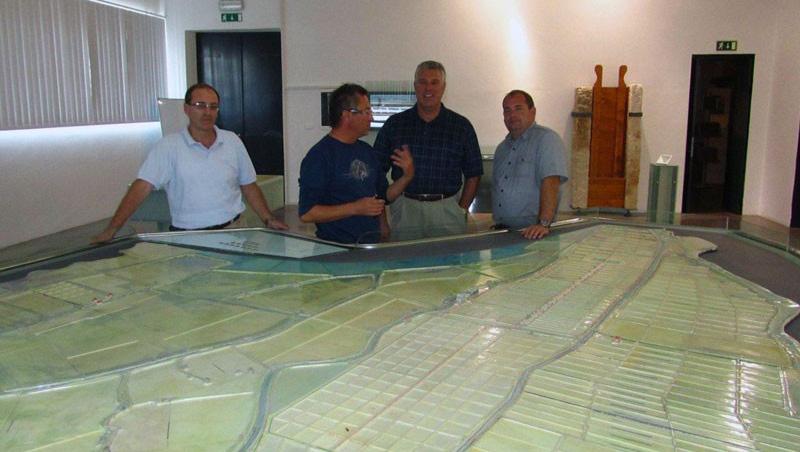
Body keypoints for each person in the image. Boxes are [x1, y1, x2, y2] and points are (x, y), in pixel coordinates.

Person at [92, 83, 287, 243]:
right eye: (200, 105)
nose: (207, 112)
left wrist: (268, 218)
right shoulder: (169, 146)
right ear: (186, 109)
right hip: (189, 238)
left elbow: (249, 185)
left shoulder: (232, 141)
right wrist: (112, 229)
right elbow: (141, 187)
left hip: (235, 232)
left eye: (213, 106)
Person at [373, 60, 482, 239]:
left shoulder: (461, 126)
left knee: (449, 258)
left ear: (443, 87)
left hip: (447, 210)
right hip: (405, 209)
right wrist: (382, 218)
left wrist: (461, 209)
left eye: (434, 82)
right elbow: (376, 171)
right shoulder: (395, 125)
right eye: (422, 82)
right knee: (405, 257)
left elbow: (474, 173)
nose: (428, 88)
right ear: (415, 86)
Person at [299, 83, 414, 244]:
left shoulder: (367, 151)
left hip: (369, 246)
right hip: (336, 248)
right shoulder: (320, 156)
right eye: (366, 111)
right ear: (347, 115)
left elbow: (383, 196)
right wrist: (355, 208)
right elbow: (307, 213)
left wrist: (407, 176)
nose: (371, 118)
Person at [492, 89, 568, 240]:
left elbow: (551, 182)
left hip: (535, 233)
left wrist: (543, 224)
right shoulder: (501, 149)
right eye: (507, 110)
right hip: (503, 233)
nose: (512, 115)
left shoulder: (546, 139)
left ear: (532, 112)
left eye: (518, 108)